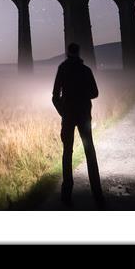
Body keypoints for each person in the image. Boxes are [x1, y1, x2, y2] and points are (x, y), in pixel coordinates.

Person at [52, 42, 105, 208]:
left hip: (68, 117)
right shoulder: (86, 70)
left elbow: (54, 96)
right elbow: (95, 93)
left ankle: (66, 194)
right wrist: (83, 96)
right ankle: (97, 192)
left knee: (67, 152)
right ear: (79, 52)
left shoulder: (62, 69)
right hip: (84, 116)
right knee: (90, 151)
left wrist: (63, 112)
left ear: (67, 53)